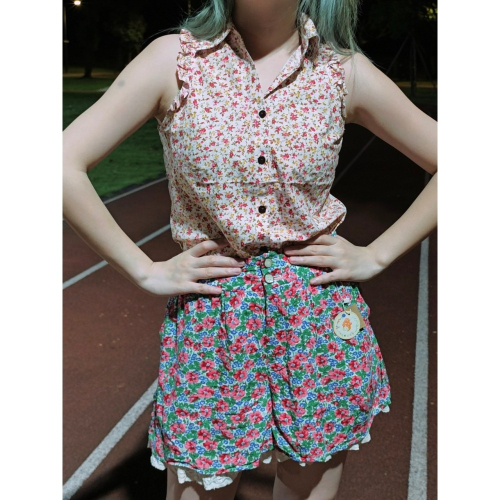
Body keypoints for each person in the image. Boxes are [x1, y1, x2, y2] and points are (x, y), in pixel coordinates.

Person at [63, 0, 437, 498]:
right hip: (215, 320)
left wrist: (379, 253)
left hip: (315, 319)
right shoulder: (174, 61)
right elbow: (60, 163)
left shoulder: (342, 73)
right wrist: (144, 269)